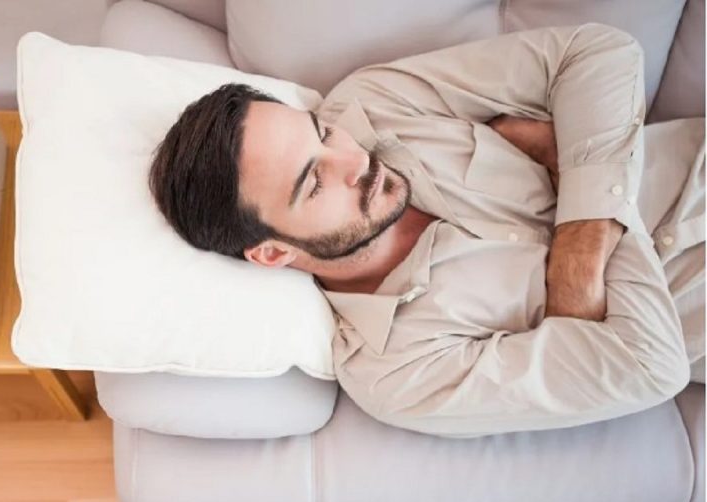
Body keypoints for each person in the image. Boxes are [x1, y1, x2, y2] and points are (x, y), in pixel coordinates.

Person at [148, 23, 705, 437]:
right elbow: (651, 367)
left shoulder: (373, 104)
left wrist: (582, 249)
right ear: (271, 252)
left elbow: (598, 52)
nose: (352, 159)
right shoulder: (397, 370)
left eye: (322, 132)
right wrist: (572, 168)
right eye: (314, 182)